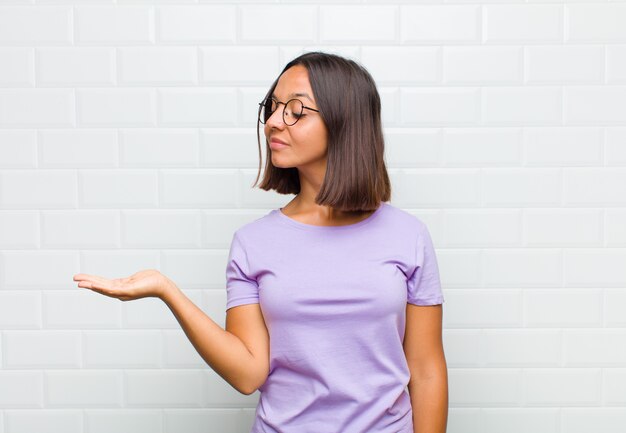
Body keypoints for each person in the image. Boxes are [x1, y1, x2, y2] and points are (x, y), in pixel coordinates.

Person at [73, 51, 448, 433]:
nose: (272, 122)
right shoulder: (253, 243)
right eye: (272, 108)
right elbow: (248, 373)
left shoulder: (408, 236)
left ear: (344, 120)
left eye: (295, 110)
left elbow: (426, 369)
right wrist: (166, 290)